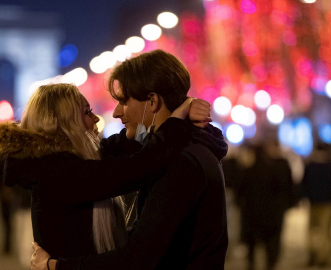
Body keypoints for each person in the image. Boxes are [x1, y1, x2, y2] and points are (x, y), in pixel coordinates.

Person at [28, 49, 228, 269]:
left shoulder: (178, 162)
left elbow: (138, 260)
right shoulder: (183, 150)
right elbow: (134, 157)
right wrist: (183, 112)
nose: (115, 113)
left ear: (152, 101)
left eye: (123, 101)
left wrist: (54, 266)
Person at [236, 141, 295, 270]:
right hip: (272, 215)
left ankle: (251, 263)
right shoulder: (275, 170)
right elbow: (285, 189)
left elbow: (239, 192)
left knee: (252, 243)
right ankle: (270, 263)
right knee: (272, 243)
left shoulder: (248, 172)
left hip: (252, 214)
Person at [301, 143, 331, 267]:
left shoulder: (310, 166)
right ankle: (323, 256)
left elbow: (304, 185)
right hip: (327, 203)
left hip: (314, 202)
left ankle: (312, 253)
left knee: (312, 230)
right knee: (325, 230)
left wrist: (304, 198)